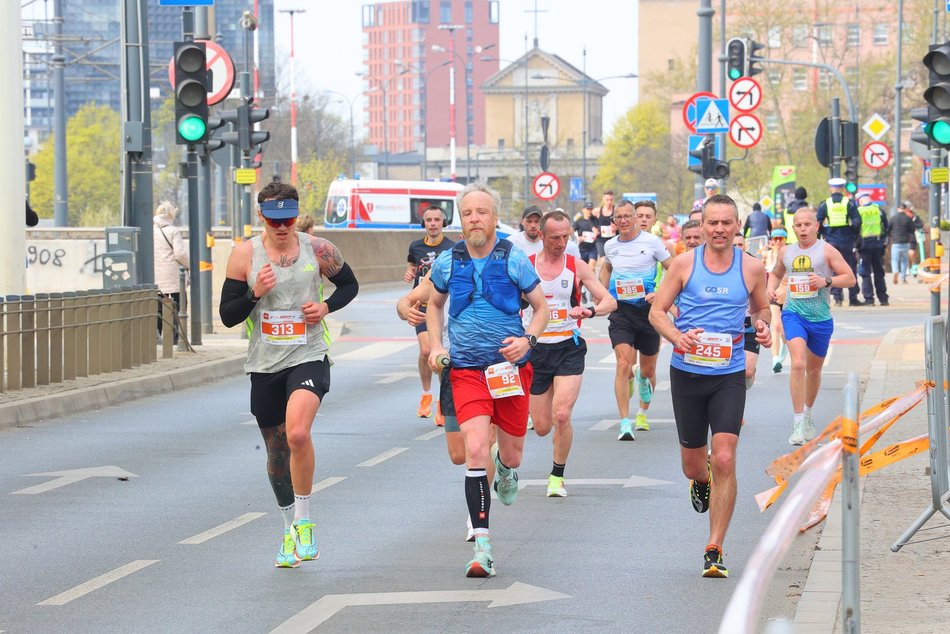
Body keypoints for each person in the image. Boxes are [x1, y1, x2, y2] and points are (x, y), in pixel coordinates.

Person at [218, 181, 359, 568]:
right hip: (264, 363)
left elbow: (349, 285)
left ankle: (304, 520)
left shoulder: (318, 249)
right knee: (277, 454)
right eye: (275, 220)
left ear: (297, 216)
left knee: (298, 433)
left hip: (308, 354)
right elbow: (228, 315)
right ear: (262, 217)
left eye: (289, 219)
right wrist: (253, 294)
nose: (282, 227)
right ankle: (286, 528)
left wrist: (326, 308)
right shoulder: (245, 254)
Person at [426, 181, 549, 578]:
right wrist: (433, 346)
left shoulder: (513, 258)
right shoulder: (447, 261)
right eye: (467, 213)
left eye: (481, 212)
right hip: (466, 371)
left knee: (509, 455)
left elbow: (542, 308)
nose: (473, 219)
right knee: (475, 450)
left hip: (509, 371)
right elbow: (433, 303)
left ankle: (508, 468)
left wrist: (527, 338)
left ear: (495, 217)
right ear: (459, 220)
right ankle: (482, 547)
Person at [649, 194, 771, 579]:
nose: (719, 229)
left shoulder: (752, 268)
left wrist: (764, 325)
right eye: (712, 223)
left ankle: (714, 547)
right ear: (702, 227)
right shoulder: (685, 264)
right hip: (687, 371)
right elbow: (657, 312)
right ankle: (700, 480)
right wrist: (676, 336)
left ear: (738, 227)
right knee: (694, 465)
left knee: (725, 457)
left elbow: (760, 308)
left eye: (726, 223)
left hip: (729, 372)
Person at [525, 210, 617, 498]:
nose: (561, 242)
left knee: (562, 415)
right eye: (555, 237)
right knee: (541, 427)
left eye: (566, 236)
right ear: (541, 235)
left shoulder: (575, 266)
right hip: (535, 349)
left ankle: (557, 476)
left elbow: (609, 301)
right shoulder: (525, 266)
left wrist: (589, 310)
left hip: (568, 347)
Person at [767, 208, 856, 445]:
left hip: (820, 318)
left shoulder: (826, 250)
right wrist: (770, 288)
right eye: (798, 225)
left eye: (807, 224)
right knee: (797, 363)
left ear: (816, 226)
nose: (803, 229)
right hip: (793, 313)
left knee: (814, 371)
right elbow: (776, 273)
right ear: (793, 228)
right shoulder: (786, 252)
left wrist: (826, 280)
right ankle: (797, 422)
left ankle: (807, 414)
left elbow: (850, 278)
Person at [598, 198, 673, 439]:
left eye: (628, 216)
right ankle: (625, 422)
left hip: (648, 312)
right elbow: (607, 268)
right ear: (614, 220)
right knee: (622, 363)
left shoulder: (652, 242)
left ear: (635, 218)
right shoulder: (610, 246)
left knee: (647, 370)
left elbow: (673, 269)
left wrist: (660, 293)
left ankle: (642, 406)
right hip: (622, 311)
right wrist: (603, 292)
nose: (624, 220)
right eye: (618, 217)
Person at [404, 205, 456, 420]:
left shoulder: (452, 247)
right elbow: (411, 265)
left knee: (441, 355)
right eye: (429, 220)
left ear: (443, 223)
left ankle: (443, 403)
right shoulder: (415, 246)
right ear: (423, 223)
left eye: (437, 219)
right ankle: (426, 394)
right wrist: (409, 273)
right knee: (427, 351)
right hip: (421, 307)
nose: (433, 223)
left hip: (443, 307)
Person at [816, 177, 862, 307]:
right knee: (850, 267)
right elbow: (857, 222)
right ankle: (853, 298)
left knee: (834, 268)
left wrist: (825, 232)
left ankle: (837, 298)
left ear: (831, 189)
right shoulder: (850, 203)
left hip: (831, 241)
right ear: (842, 189)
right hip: (847, 240)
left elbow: (817, 222)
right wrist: (852, 232)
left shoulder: (825, 204)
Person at [153, 201, 190, 343]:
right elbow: (180, 254)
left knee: (158, 307)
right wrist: (189, 265)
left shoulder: (151, 231)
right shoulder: (173, 231)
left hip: (156, 277)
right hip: (173, 276)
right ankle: (175, 339)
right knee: (177, 307)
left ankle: (158, 337)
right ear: (171, 215)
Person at [733, 233, 762, 391]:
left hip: (750, 325)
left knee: (748, 372)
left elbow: (762, 302)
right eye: (734, 245)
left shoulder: (753, 265)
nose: (737, 248)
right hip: (729, 326)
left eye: (740, 245)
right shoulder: (721, 269)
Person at [855, 192, 889, 306]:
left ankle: (869, 299)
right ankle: (883, 299)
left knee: (865, 273)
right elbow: (886, 227)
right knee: (879, 272)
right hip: (878, 244)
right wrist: (884, 241)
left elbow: (855, 228)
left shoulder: (858, 211)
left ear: (859, 201)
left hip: (864, 246)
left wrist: (856, 244)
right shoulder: (878, 210)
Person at [508, 205, 581, 258]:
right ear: (522, 221)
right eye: (529, 221)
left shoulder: (563, 246)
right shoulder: (510, 243)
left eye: (537, 221)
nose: (533, 225)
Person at [765, 228, 789, 373]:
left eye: (781, 238)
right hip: (773, 295)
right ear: (772, 241)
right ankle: (775, 359)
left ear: (785, 239)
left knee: (784, 331)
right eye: (775, 239)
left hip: (789, 296)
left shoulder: (790, 255)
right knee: (776, 324)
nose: (778, 241)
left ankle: (784, 345)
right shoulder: (767, 255)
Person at [888, 201, 923, 284]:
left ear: (898, 209)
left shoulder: (893, 218)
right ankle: (903, 278)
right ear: (905, 209)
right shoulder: (908, 218)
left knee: (895, 260)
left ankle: (895, 271)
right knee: (904, 260)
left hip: (896, 242)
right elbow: (912, 229)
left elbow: (888, 229)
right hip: (905, 242)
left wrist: (891, 236)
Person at [593, 190, 617, 267]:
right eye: (607, 200)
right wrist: (593, 228)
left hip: (614, 239)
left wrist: (617, 227)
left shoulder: (617, 210)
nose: (609, 202)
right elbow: (588, 221)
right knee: (603, 262)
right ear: (603, 200)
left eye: (611, 200)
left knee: (614, 262)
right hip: (601, 240)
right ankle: (604, 278)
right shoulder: (597, 211)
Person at [574, 201, 599, 265]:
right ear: (583, 210)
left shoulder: (596, 220)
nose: (589, 211)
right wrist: (577, 238)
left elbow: (601, 232)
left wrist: (598, 233)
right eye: (587, 209)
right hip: (582, 249)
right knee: (582, 270)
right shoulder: (579, 221)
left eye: (591, 209)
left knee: (592, 266)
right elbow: (570, 231)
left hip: (593, 248)